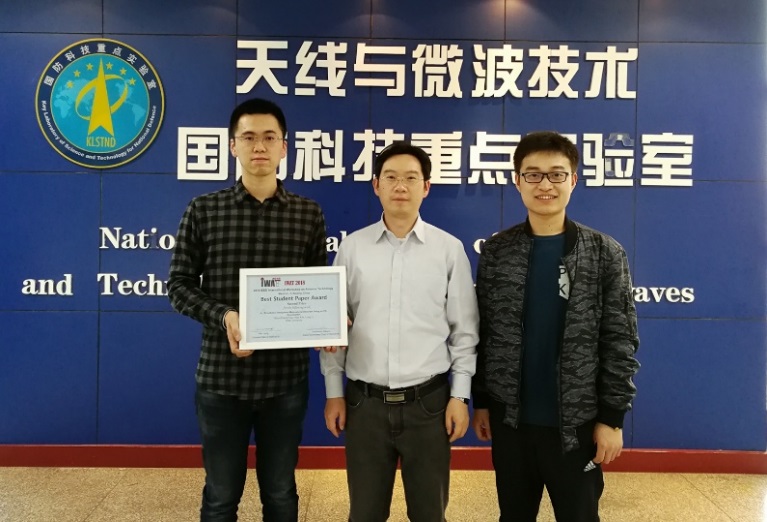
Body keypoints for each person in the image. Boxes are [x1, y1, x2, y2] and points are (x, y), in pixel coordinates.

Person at [168, 98, 327, 522]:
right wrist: (225, 317)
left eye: (269, 137)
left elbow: (317, 289)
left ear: (284, 147)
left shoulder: (308, 214)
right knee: (221, 496)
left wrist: (326, 323)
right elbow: (178, 286)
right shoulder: (203, 210)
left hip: (285, 381)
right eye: (249, 137)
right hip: (221, 379)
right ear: (232, 145)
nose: (260, 146)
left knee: (281, 493)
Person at [471, 131, 640, 522]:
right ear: (517, 181)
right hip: (511, 422)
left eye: (556, 174)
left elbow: (620, 340)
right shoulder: (497, 251)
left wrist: (612, 418)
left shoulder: (604, 253)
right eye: (533, 174)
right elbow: (485, 332)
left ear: (573, 180)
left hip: (577, 423)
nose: (544, 184)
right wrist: (482, 401)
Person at [320, 141, 479, 522]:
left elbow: (464, 332)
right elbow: (333, 327)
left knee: (429, 513)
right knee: (364, 513)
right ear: (376, 185)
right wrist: (334, 392)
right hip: (364, 405)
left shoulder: (448, 249)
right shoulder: (352, 248)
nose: (401, 186)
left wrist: (459, 396)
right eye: (390, 177)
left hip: (429, 404)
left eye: (411, 178)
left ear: (427, 186)